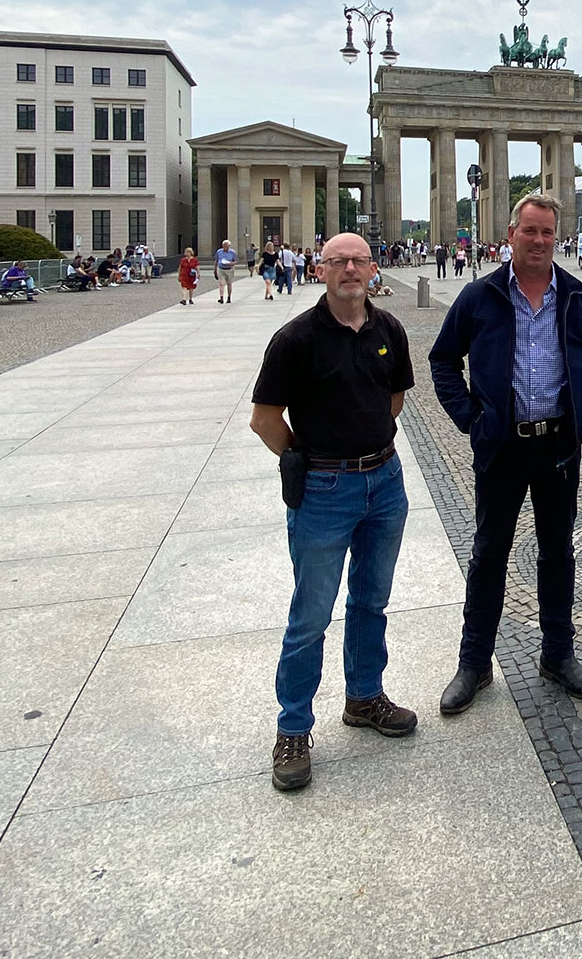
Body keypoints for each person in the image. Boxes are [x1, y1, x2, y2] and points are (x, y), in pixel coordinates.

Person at [429, 194, 582, 715]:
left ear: (556, 239)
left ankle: (557, 654)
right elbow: (443, 360)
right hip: (502, 446)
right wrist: (472, 418)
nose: (538, 241)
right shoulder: (480, 295)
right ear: (510, 233)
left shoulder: (578, 299)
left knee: (557, 553)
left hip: (559, 446)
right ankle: (474, 662)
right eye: (529, 231)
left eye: (547, 234)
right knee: (489, 554)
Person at [249, 231, 417, 792]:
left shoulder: (388, 329)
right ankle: (293, 727)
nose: (350, 269)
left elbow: (393, 399)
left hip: (385, 482)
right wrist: (307, 459)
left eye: (359, 260)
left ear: (373, 268)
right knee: (311, 615)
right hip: (325, 488)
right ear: (320, 269)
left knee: (372, 600)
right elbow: (265, 418)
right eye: (338, 261)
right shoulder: (294, 339)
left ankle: (364, 696)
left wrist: (368, 443)